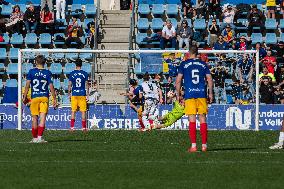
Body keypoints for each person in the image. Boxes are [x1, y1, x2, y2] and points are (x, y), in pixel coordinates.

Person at [176, 45, 213, 152]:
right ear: (197, 53)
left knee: (191, 119)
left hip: (189, 95)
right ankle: (204, 146)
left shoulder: (184, 64)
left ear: (188, 53)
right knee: (203, 118)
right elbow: (209, 79)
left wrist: (178, 95)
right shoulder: (203, 64)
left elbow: (178, 81)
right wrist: (210, 93)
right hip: (201, 93)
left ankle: (193, 146)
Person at [22, 55, 57, 143]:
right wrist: (55, 98)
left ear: (36, 62)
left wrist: (24, 96)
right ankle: (40, 137)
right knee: (42, 118)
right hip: (44, 97)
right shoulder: (47, 73)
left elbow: (27, 86)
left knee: (34, 118)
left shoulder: (31, 72)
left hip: (35, 97)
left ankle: (34, 138)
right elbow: (51, 86)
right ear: (44, 63)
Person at [68, 59, 89, 132]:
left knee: (73, 111)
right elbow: (87, 85)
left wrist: (69, 94)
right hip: (82, 94)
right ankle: (84, 128)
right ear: (81, 65)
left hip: (74, 94)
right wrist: (88, 94)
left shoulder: (72, 73)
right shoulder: (85, 74)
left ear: (75, 65)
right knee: (83, 111)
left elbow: (70, 85)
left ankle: (72, 127)